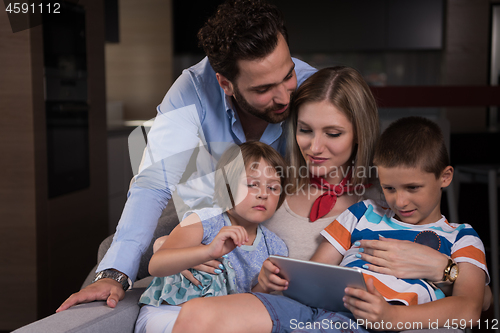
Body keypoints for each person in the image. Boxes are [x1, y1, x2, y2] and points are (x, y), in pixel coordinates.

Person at [171, 69, 487, 332]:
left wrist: (446, 270)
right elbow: (192, 227)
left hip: (360, 316)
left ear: (359, 134)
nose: (315, 147)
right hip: (297, 306)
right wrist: (180, 251)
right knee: (196, 316)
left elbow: (477, 302)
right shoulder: (267, 187)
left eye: (333, 133)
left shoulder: (385, 196)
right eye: (305, 130)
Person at [57, 0, 316, 312]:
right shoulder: (191, 91)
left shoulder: (314, 84)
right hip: (213, 201)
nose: (285, 96)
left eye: (288, 76)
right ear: (226, 84)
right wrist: (120, 271)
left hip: (287, 200)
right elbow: (153, 183)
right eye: (263, 89)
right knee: (112, 254)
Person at [250, 116, 489, 332]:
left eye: (413, 187)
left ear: (444, 177)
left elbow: (469, 309)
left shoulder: (461, 236)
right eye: (389, 188)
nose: (400, 201)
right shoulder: (362, 212)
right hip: (326, 314)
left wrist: (393, 316)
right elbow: (317, 273)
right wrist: (281, 278)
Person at [134, 141, 289, 333]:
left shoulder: (275, 247)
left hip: (221, 320)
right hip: (169, 313)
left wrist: (264, 287)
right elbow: (156, 265)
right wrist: (207, 251)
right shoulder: (204, 220)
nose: (263, 194)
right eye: (252, 184)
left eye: (273, 188)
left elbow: (245, 306)